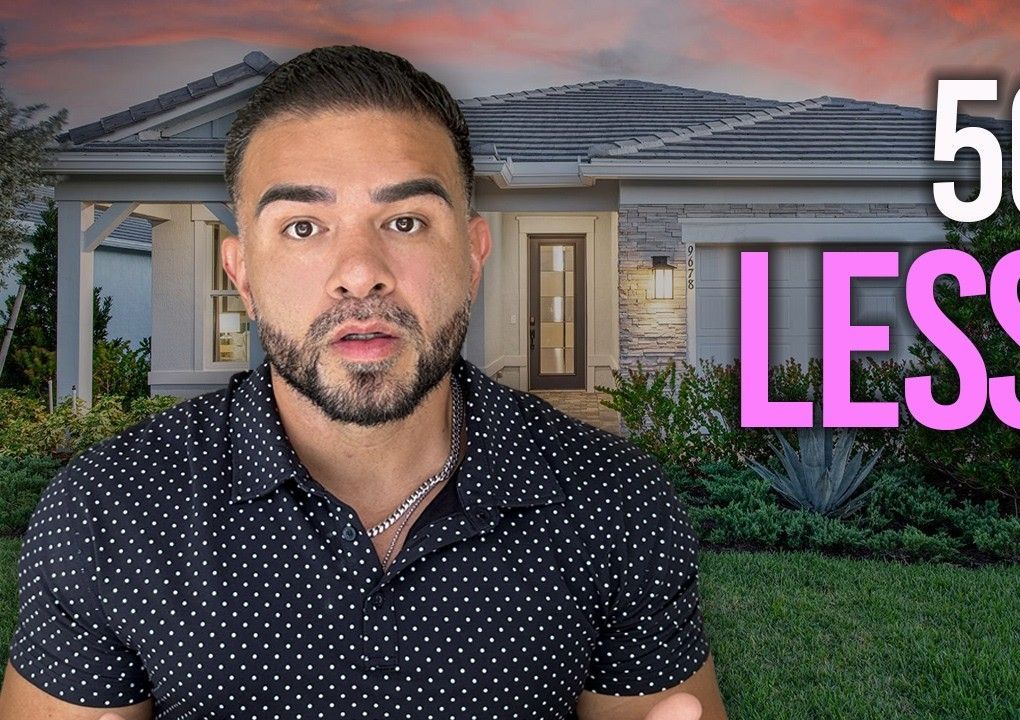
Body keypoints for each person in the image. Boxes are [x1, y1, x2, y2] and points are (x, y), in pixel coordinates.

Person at [0, 45, 727, 720]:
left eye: (406, 221)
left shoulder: (614, 504)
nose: (359, 270)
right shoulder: (110, 512)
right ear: (242, 273)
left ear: (472, 258)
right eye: (303, 227)